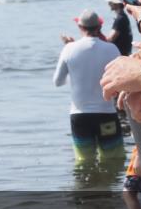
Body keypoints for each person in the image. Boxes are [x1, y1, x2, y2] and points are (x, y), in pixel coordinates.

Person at [53, 10, 125, 164]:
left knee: (84, 162)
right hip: (106, 114)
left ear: (80, 27)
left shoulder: (69, 49)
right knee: (113, 160)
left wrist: (76, 75)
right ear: (99, 26)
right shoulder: (112, 49)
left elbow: (57, 81)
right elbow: (122, 80)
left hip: (80, 116)